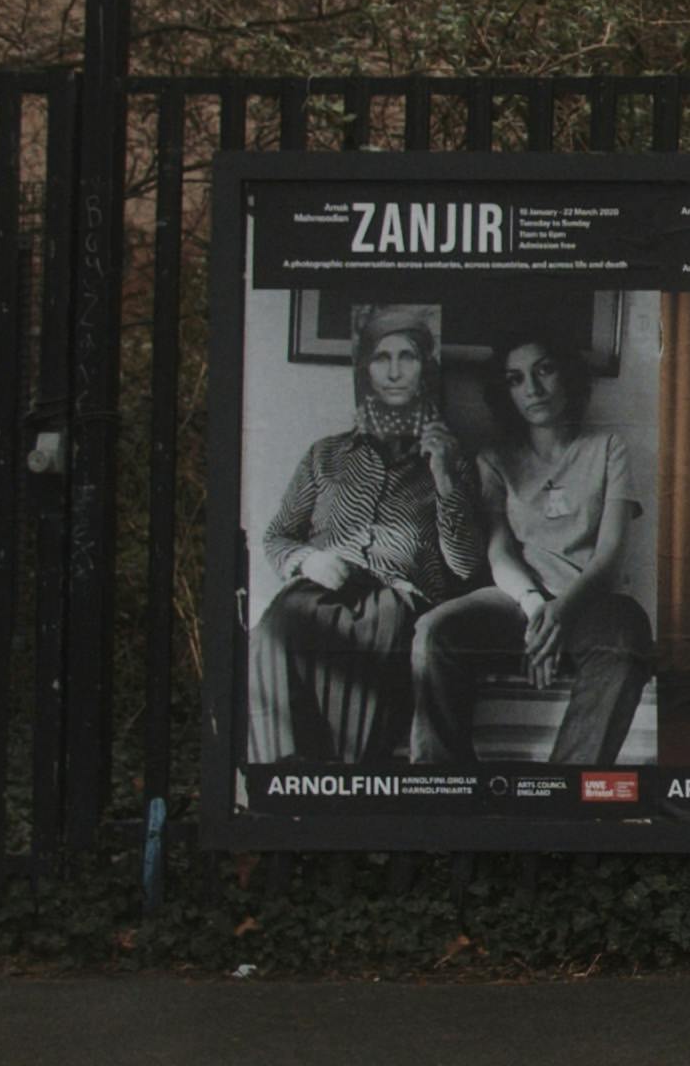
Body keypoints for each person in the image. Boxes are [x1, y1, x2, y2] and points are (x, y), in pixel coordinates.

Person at [246, 307, 483, 764]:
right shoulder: (326, 455)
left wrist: (445, 479)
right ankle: (284, 779)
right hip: (320, 586)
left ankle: (348, 784)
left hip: (398, 597)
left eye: (408, 357)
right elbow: (277, 535)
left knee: (382, 634)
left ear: (425, 369)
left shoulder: (454, 461)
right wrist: (306, 560)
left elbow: (466, 565)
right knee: (272, 632)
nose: (394, 371)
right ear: (366, 370)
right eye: (381, 357)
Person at [409, 333, 654, 767]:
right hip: (515, 599)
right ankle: (445, 792)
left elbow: (610, 556)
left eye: (544, 370)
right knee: (434, 630)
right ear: (505, 392)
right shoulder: (494, 458)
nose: (533, 389)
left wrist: (561, 612)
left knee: (628, 630)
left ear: (569, 376)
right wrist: (536, 605)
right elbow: (499, 549)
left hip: (587, 603)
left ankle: (566, 793)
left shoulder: (608, 448)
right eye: (515, 379)